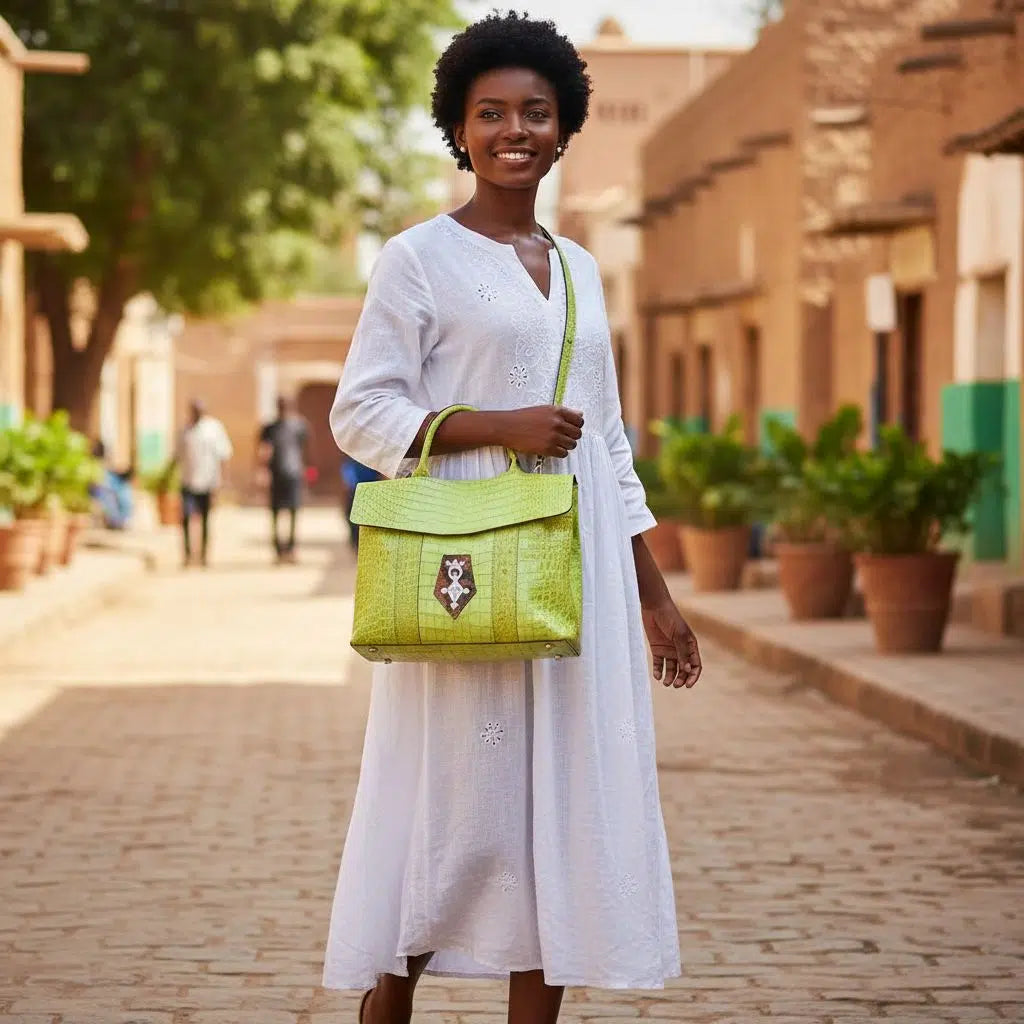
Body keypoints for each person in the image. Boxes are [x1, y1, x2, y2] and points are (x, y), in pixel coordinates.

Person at [323, 13, 703, 1024]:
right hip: (468, 567)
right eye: (490, 113)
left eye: (535, 111)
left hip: (576, 575)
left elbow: (610, 444)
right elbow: (359, 410)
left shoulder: (577, 268)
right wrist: (496, 425)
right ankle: (383, 1004)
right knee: (454, 813)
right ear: (459, 127)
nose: (514, 130)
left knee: (562, 819)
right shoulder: (417, 259)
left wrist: (656, 597)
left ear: (565, 125)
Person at [174, 399, 232, 567]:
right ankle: (187, 554)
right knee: (185, 517)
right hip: (188, 481)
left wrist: (222, 482)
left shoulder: (214, 430)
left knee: (206, 520)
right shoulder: (185, 431)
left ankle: (204, 554)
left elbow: (224, 455)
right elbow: (177, 456)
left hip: (208, 482)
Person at [257, 396, 310, 563]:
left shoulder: (300, 426)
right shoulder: (269, 428)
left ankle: (292, 548)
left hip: (294, 474)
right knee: (275, 512)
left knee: (294, 511)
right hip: (276, 474)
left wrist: (308, 471)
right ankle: (278, 550)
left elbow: (306, 451)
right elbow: (262, 451)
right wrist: (261, 472)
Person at [339, 453, 381, 550]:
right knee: (353, 520)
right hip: (355, 490)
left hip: (371, 489)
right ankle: (356, 545)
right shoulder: (350, 459)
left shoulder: (373, 456)